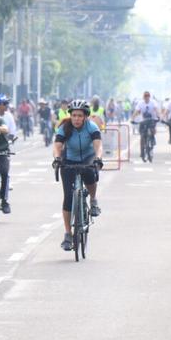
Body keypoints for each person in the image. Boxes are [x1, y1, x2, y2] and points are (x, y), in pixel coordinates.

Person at [53, 99, 103, 251]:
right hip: (69, 159)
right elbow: (57, 146)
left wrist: (98, 158)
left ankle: (93, 200)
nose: (76, 119)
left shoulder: (92, 127)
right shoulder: (65, 127)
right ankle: (68, 234)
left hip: (87, 157)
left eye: (80, 116)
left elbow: (98, 146)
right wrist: (57, 158)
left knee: (90, 176)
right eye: (74, 115)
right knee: (68, 197)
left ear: (85, 116)